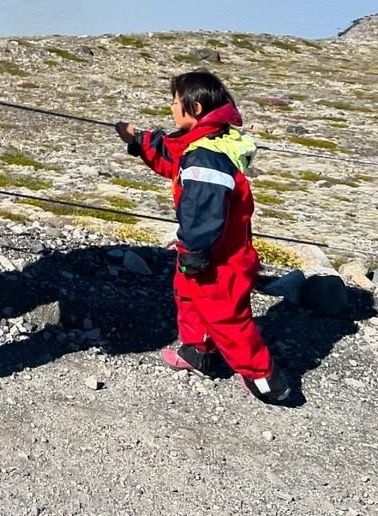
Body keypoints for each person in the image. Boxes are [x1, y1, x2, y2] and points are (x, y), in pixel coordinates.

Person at [115, 70, 291, 404]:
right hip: (212, 248)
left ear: (194, 108)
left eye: (175, 101)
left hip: (219, 256)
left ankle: (267, 380)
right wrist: (137, 139)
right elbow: (172, 154)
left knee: (226, 315)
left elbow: (202, 211)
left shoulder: (206, 158)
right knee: (189, 296)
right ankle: (200, 353)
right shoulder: (206, 141)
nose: (171, 107)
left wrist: (194, 251)